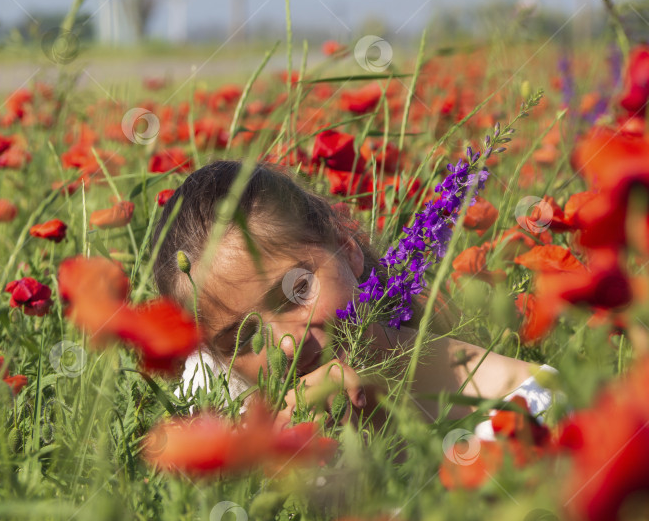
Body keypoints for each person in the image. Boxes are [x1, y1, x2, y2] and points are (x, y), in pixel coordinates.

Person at [152, 160, 559, 437]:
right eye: (243, 337)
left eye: (297, 290)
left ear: (347, 249)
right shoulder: (214, 382)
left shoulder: (528, 415)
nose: (288, 346)